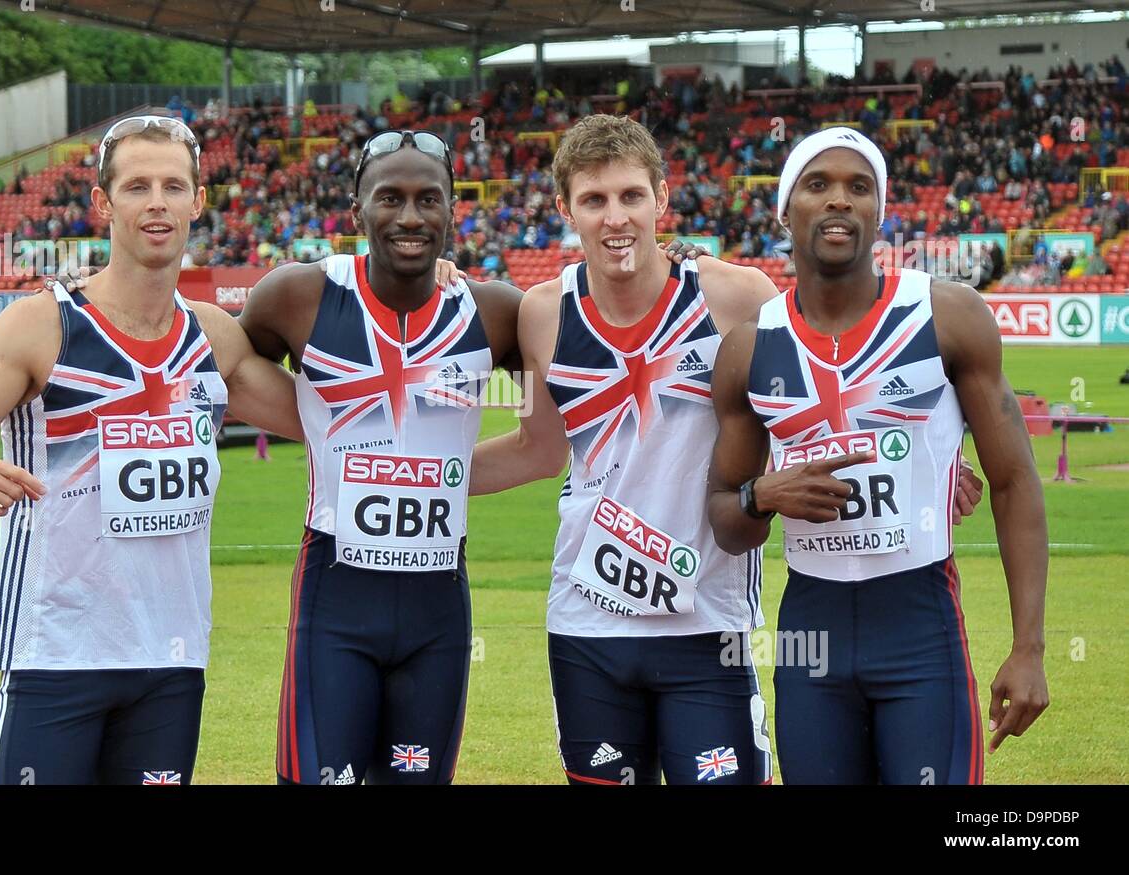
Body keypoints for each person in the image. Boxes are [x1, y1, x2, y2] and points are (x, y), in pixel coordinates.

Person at [238, 129, 701, 785]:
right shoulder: (296, 295)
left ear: (454, 209)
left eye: (429, 199)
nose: (409, 216)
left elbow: (569, 391)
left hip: (438, 608)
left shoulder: (494, 312)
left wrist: (675, 262)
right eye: (389, 197)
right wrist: (324, 429)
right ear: (355, 207)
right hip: (334, 600)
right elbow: (220, 367)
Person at [0, 115, 304, 785]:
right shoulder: (43, 325)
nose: (156, 202)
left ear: (198, 202)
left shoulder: (213, 339)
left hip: (171, 658)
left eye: (174, 186)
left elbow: (326, 421)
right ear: (102, 203)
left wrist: (416, 285)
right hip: (56, 655)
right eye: (137, 185)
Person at [706, 128, 1048, 784]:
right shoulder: (749, 349)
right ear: (785, 209)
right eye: (818, 185)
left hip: (921, 628)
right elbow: (726, 517)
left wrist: (1028, 646)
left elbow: (1012, 481)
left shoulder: (946, 315)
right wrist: (764, 495)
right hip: (811, 636)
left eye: (858, 187)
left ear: (880, 210)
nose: (839, 200)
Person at [469, 114, 785, 785]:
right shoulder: (542, 313)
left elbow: (811, 412)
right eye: (594, 199)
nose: (616, 217)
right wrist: (419, 479)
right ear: (565, 209)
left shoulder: (736, 297)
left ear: (661, 199)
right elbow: (536, 450)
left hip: (708, 624)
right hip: (588, 625)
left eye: (631, 196)